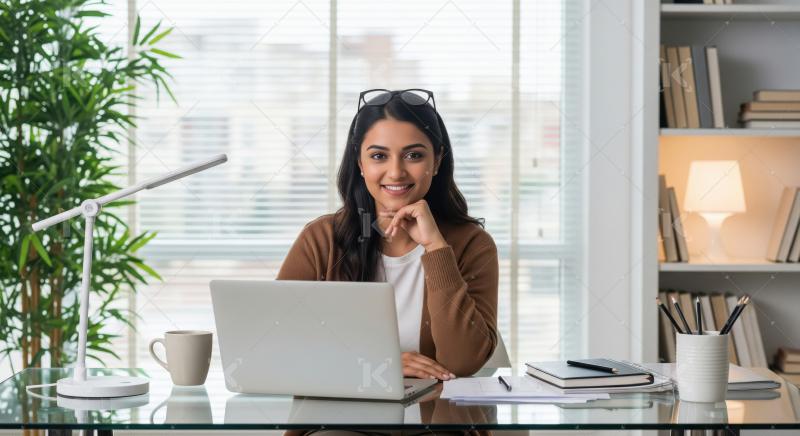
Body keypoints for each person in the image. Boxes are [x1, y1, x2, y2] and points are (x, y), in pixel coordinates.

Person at [277, 89, 498, 380]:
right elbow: (277, 346)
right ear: (360, 162)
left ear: (437, 160)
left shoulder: (471, 244)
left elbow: (463, 362)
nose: (396, 172)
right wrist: (380, 362)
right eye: (379, 156)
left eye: (414, 155)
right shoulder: (321, 239)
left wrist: (435, 248)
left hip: (437, 421)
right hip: (339, 420)